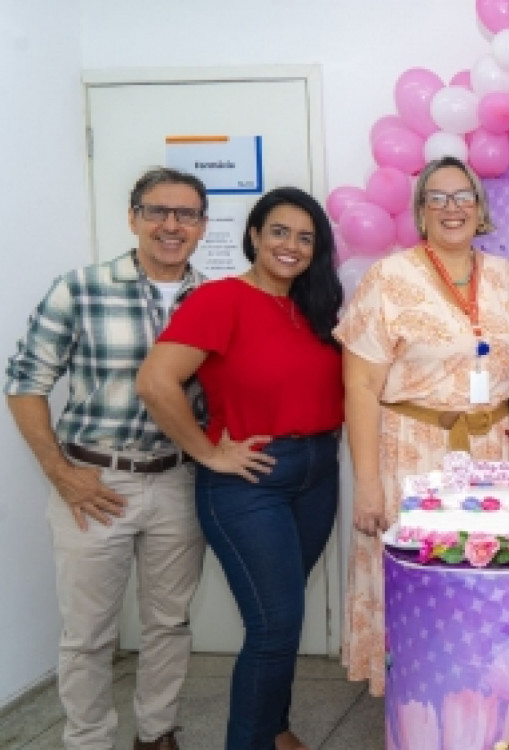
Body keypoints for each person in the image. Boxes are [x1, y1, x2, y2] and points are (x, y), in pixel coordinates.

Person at [4, 168, 209, 750]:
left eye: (186, 214)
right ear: (133, 217)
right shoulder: (80, 288)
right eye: (157, 211)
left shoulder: (215, 297)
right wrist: (60, 473)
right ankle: (89, 740)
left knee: (168, 623)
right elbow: (24, 383)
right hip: (93, 480)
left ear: (201, 225)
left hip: (177, 482)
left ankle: (156, 732)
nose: (171, 225)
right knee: (88, 634)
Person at [136, 187, 344, 750]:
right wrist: (208, 452)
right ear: (253, 235)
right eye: (279, 231)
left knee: (283, 620)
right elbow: (156, 381)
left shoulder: (315, 306)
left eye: (305, 238)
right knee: (273, 627)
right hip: (250, 483)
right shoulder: (221, 299)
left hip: (317, 474)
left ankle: (273, 729)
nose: (291, 246)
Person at [337, 156, 509, 696]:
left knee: (481, 588)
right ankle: (416, 710)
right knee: (420, 589)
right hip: (413, 460)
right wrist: (368, 486)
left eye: (462, 195)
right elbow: (361, 388)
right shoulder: (389, 278)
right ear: (421, 212)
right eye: (437, 198)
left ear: (480, 208)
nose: (452, 208)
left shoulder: (506, 278)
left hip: (491, 457)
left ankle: (475, 706)